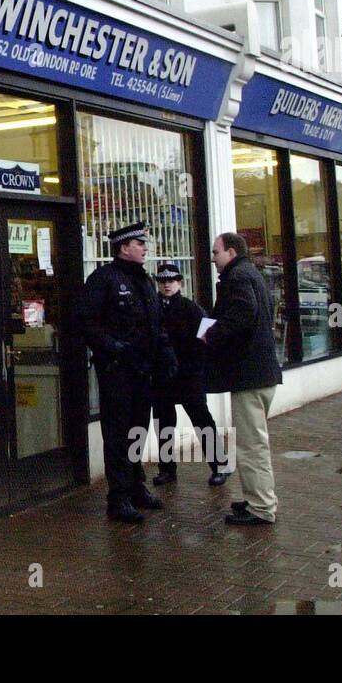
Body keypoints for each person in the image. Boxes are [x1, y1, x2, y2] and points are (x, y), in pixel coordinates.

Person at [79, 221, 177, 523]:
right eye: (139, 244)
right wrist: (115, 349)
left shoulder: (145, 282)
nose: (145, 248)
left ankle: (136, 487)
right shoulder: (103, 279)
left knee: (138, 431)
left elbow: (155, 324)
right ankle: (118, 497)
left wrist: (166, 353)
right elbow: (86, 323)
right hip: (117, 372)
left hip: (143, 372)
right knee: (118, 435)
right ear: (124, 248)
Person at [202, 232, 284, 525]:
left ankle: (261, 507)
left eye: (216, 252)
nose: (212, 258)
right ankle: (256, 499)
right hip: (260, 374)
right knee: (253, 442)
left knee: (251, 445)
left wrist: (210, 334)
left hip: (250, 377)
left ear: (232, 252)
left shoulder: (237, 278)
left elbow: (242, 315)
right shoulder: (250, 274)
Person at [151, 263, 228, 487]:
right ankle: (166, 470)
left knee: (202, 421)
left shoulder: (191, 308)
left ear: (180, 283)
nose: (167, 285)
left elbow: (209, 338)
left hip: (188, 376)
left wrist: (197, 367)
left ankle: (220, 466)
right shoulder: (154, 308)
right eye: (163, 281)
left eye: (172, 280)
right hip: (162, 377)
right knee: (163, 424)